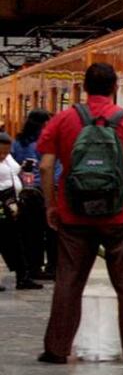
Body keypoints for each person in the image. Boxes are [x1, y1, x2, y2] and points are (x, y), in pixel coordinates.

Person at [36, 63, 123, 364]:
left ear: (84, 88)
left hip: (74, 215)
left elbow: (47, 166)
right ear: (115, 87)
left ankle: (57, 349)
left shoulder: (64, 119)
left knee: (69, 281)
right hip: (120, 216)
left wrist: (51, 204)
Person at [13, 109, 58, 281]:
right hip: (44, 191)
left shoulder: (18, 142)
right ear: (44, 124)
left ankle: (33, 266)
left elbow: (13, 164)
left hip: (25, 192)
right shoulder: (48, 141)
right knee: (52, 231)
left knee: (31, 232)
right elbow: (53, 167)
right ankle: (52, 266)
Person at [0, 132, 42, 291]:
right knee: (9, 242)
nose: (3, 155)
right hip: (3, 204)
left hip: (14, 204)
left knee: (17, 242)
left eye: (6, 151)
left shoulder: (8, 159)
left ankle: (23, 277)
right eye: (0, 152)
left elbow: (14, 170)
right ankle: (22, 276)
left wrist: (24, 167)